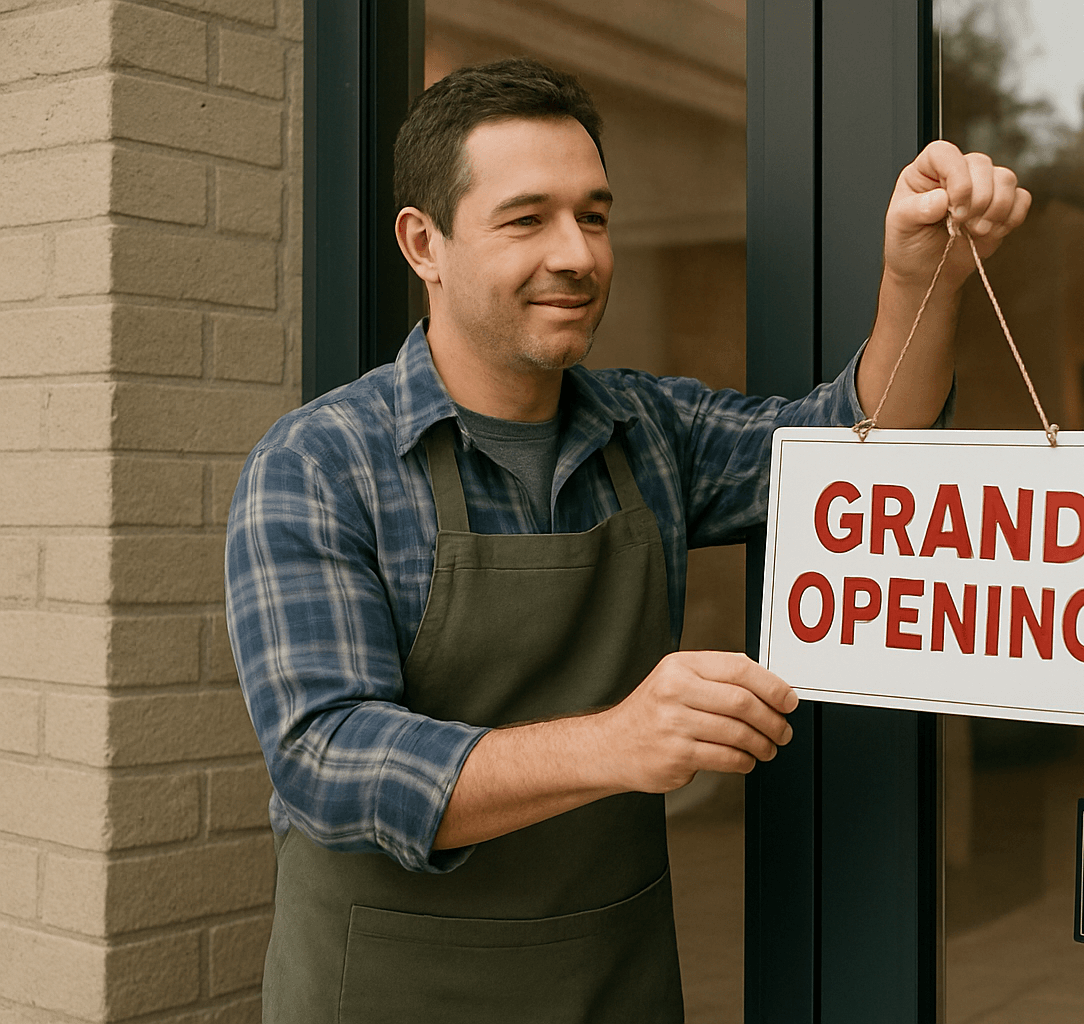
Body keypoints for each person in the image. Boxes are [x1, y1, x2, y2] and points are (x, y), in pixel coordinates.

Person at [225, 56, 1030, 1023]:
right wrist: (616, 742)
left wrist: (919, 277)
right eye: (528, 219)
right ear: (423, 243)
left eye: (594, 216)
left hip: (615, 978)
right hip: (389, 989)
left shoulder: (650, 431)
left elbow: (863, 453)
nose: (577, 254)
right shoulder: (318, 464)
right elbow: (326, 756)